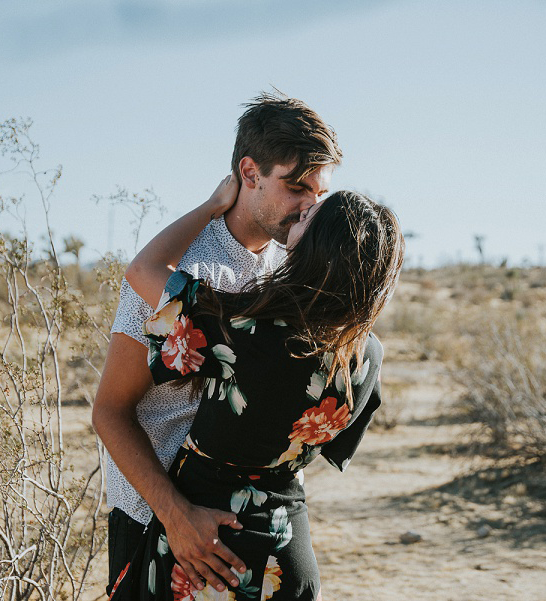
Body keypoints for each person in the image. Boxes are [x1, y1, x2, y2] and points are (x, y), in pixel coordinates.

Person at [92, 93, 342, 596]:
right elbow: (110, 412)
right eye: (296, 188)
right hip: (156, 516)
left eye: (318, 194)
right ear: (249, 173)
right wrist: (176, 515)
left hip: (240, 524)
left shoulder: (289, 269)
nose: (308, 207)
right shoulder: (183, 269)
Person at [107, 183, 404, 600]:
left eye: (306, 219)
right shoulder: (369, 355)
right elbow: (330, 446)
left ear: (319, 247)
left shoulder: (243, 329)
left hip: (209, 551)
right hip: (289, 558)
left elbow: (144, 269)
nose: (300, 212)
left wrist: (211, 206)